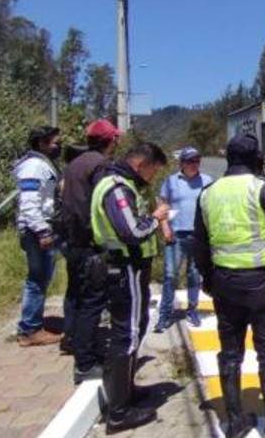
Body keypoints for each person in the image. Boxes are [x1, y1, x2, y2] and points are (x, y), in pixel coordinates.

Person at [192, 134, 265, 438]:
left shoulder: (208, 193)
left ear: (230, 158)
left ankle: (234, 422)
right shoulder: (262, 188)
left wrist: (208, 279)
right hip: (259, 283)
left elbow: (200, 245)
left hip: (223, 283)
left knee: (230, 352)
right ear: (255, 158)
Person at [90, 142, 171, 432]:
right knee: (127, 333)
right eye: (153, 170)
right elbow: (132, 231)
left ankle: (126, 391)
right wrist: (157, 217)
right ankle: (119, 412)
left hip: (128, 269)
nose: (152, 177)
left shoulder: (120, 184)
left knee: (133, 328)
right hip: (126, 269)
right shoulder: (117, 188)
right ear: (141, 164)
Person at [61, 119, 121, 383]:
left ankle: (74, 341)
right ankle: (85, 364)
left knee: (76, 295)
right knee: (92, 303)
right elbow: (104, 202)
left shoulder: (75, 163)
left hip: (72, 240)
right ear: (110, 141)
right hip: (90, 243)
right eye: (115, 139)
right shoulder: (101, 165)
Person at [13, 126, 64, 347]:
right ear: (42, 143)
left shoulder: (41, 164)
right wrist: (42, 231)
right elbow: (29, 204)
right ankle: (30, 330)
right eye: (55, 142)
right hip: (37, 231)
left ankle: (33, 324)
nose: (58, 146)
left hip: (41, 227)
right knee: (37, 278)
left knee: (41, 277)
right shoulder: (34, 167)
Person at [155, 147, 213, 332]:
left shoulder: (207, 181)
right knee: (170, 275)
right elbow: (162, 204)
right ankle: (165, 315)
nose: (194, 164)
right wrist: (164, 227)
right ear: (182, 163)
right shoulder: (171, 182)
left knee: (194, 275)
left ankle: (192, 310)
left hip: (198, 236)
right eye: (190, 161)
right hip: (176, 235)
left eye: (196, 160)